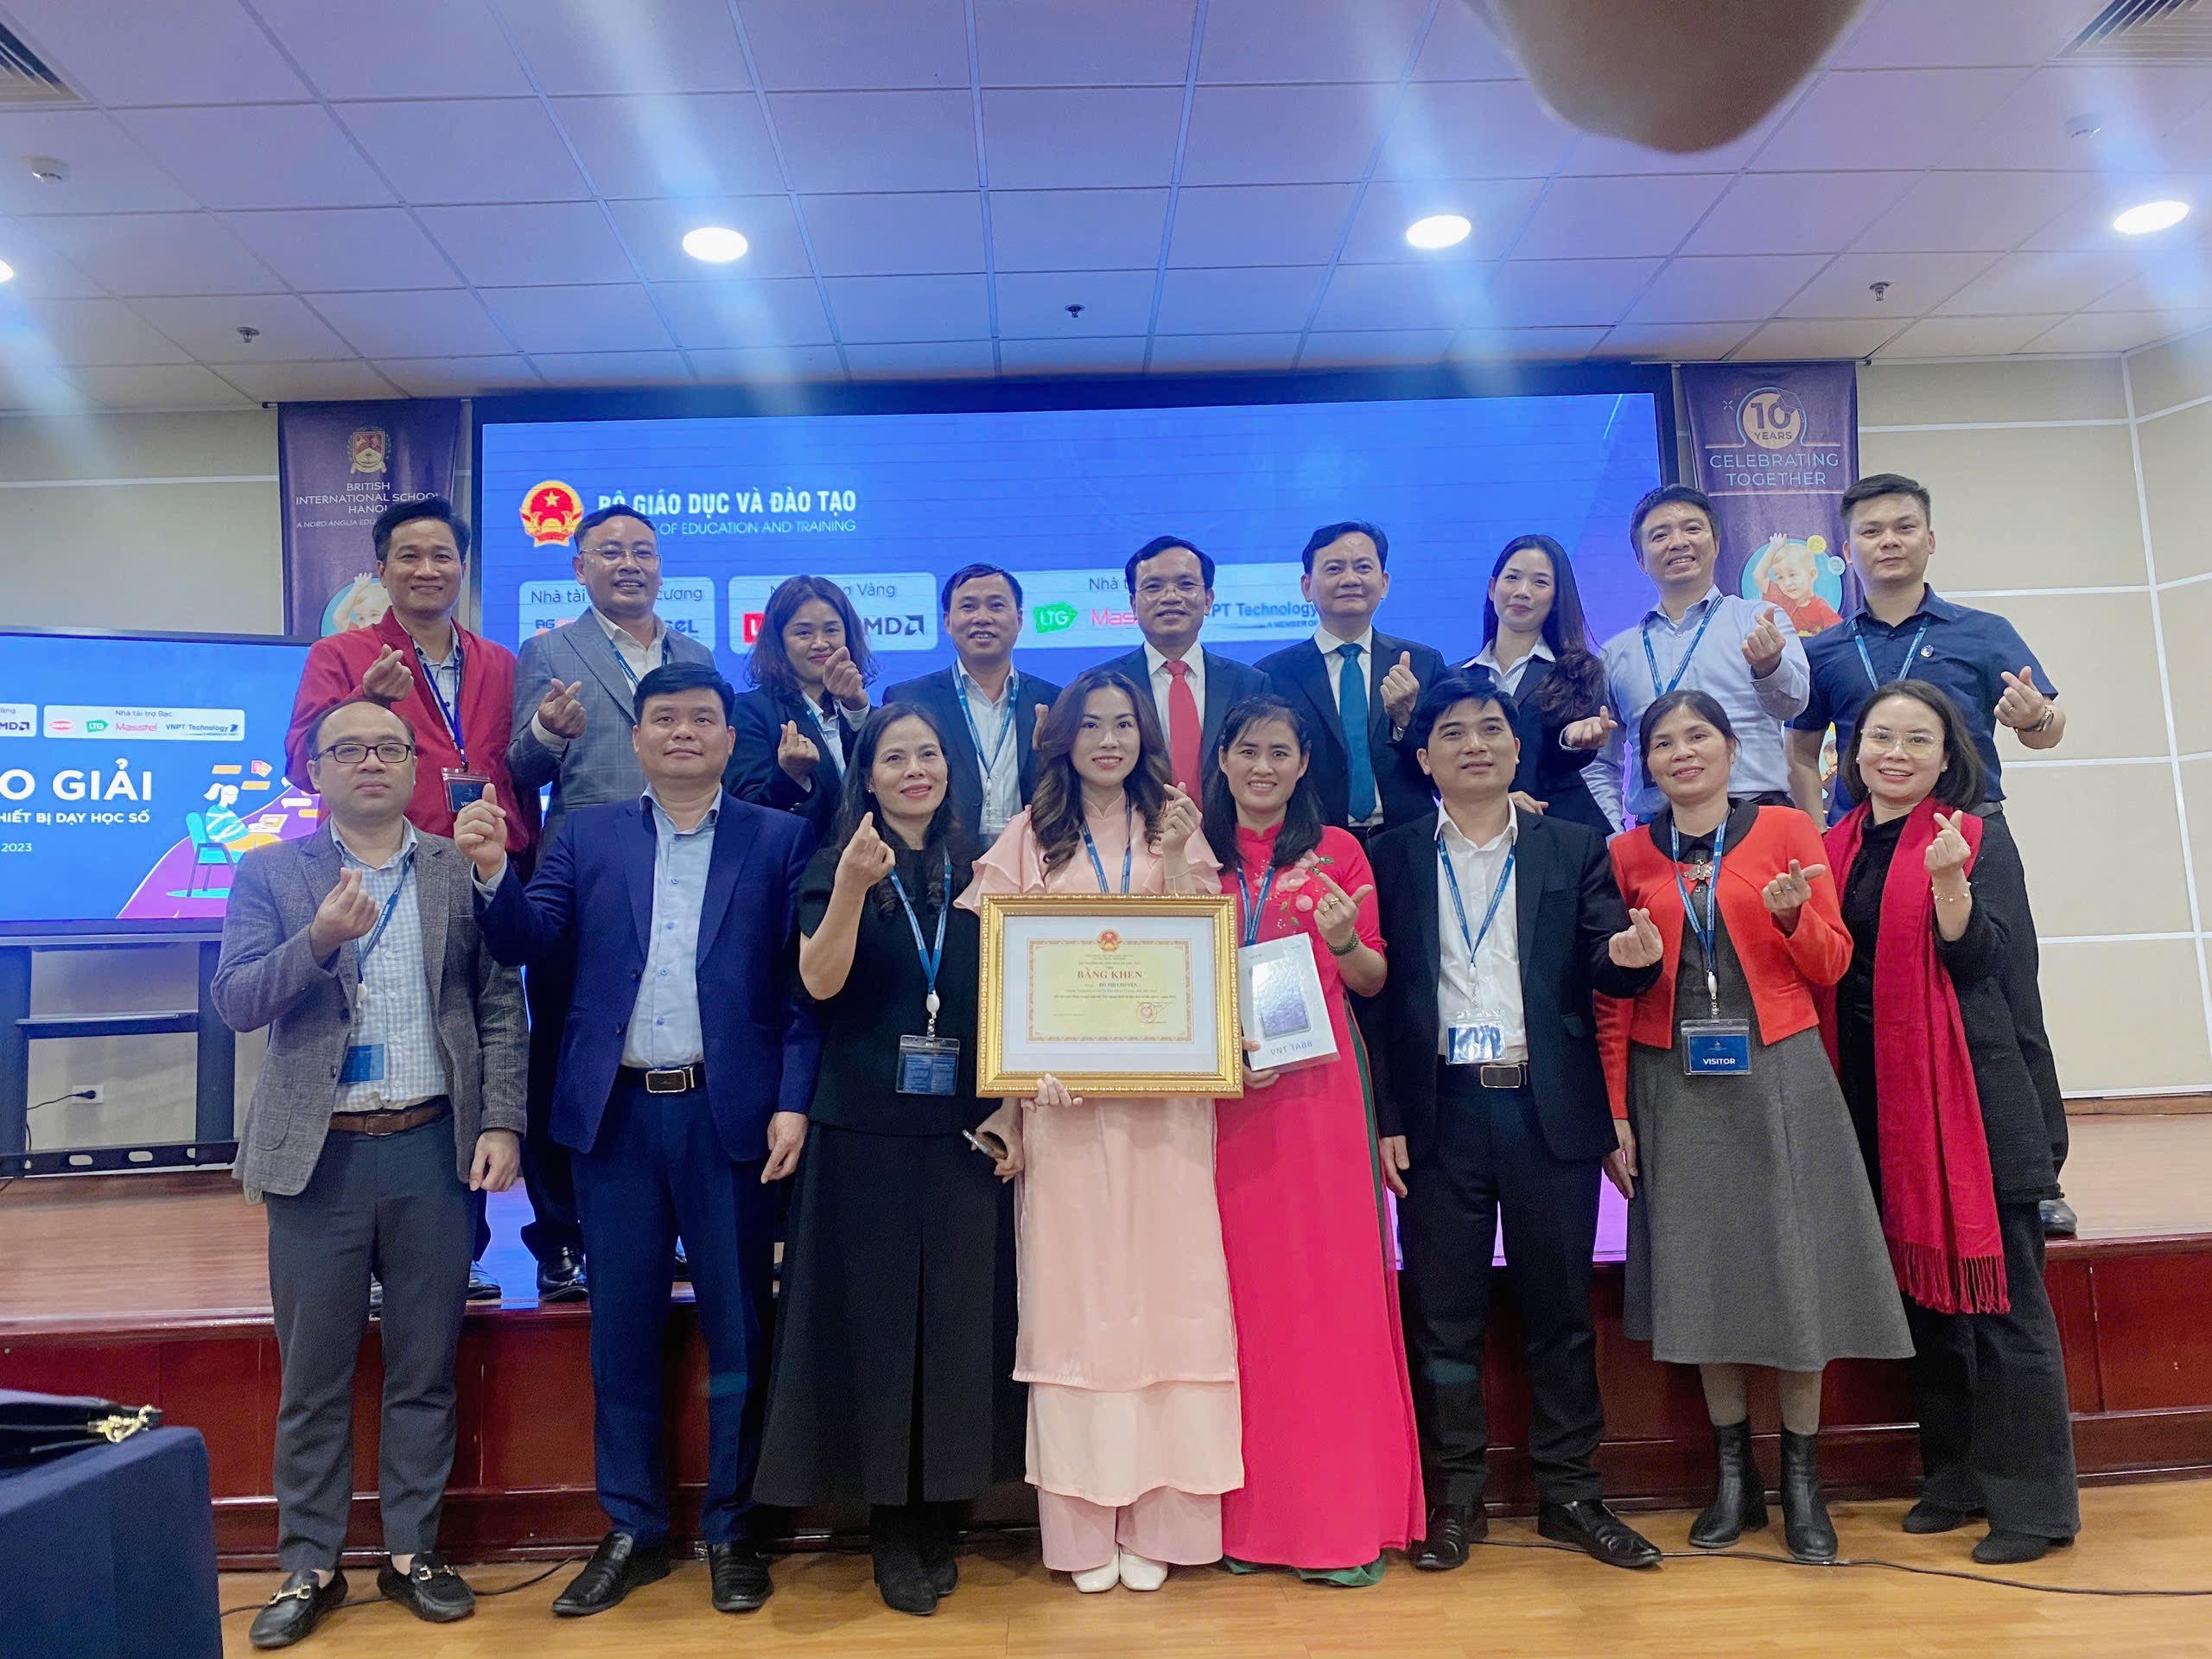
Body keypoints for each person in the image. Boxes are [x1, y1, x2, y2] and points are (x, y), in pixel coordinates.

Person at [456, 663, 819, 1619]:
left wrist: (793, 1100)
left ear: (729, 738)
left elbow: (799, 989)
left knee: (739, 1326)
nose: (684, 732)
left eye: (703, 718)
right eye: (666, 719)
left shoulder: (778, 838)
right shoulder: (587, 833)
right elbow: (529, 942)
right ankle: (633, 1526)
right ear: (639, 737)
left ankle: (733, 1528)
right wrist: (492, 872)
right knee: (620, 1329)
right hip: (614, 1118)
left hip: (729, 1116)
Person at [213, 696, 524, 1650]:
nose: (372, 763)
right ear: (316, 772)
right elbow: (236, 1000)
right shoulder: (272, 872)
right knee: (314, 1377)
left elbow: (498, 1003)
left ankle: (413, 1552)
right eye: (348, 749)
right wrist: (315, 941)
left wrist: (502, 1121)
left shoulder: (454, 867)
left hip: (432, 1146)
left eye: (390, 747)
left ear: (415, 766)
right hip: (321, 1156)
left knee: (424, 1367)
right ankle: (309, 1564)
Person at [1357, 673, 1664, 1573]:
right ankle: (1456, 1499)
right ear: (1424, 759)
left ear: (1517, 748)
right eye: (1453, 732)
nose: (1475, 744)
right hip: (1439, 1112)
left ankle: (1572, 1494)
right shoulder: (1391, 855)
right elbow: (1378, 1003)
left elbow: (1607, 961)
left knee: (1560, 1312)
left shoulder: (1571, 845)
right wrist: (1386, 1115)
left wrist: (1631, 960)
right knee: (1443, 1318)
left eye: (1490, 728)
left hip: (1546, 1109)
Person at [1594, 690, 1910, 1564]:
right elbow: (1612, 997)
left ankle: (1802, 1479)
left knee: (1793, 1264)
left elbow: (1833, 963)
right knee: (1702, 1271)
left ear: (1732, 749)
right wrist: (1615, 1108)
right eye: (1664, 742)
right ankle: (1733, 1476)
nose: (1682, 753)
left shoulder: (1784, 831)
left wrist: (1791, 916)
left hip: (1778, 1070)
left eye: (1699, 736)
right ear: (1646, 765)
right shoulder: (1626, 854)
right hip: (1672, 1080)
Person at [957, 666, 1234, 1593]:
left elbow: (1208, 954)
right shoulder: (1027, 835)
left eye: (1123, 724)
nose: (1108, 741)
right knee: (1076, 1307)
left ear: (1145, 734)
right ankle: (1081, 1531)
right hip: (1065, 1112)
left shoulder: (1177, 823)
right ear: (1063, 738)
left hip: (1167, 1109)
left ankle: (1164, 1521)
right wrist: (1012, 1090)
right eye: (1091, 725)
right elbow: (998, 976)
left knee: (1172, 1301)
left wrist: (1184, 856)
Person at [753, 702, 1023, 1617]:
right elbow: (817, 982)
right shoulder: (836, 863)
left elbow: (1011, 995)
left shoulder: (982, 867)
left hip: (963, 1134)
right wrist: (849, 891)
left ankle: (944, 1509)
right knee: (874, 1335)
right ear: (865, 776)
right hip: (861, 1131)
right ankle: (891, 1531)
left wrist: (1009, 1105)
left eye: (929, 754)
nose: (916, 770)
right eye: (895, 757)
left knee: (956, 1331)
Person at [1818, 680, 2079, 1567]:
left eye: (1916, 740)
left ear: (1946, 756)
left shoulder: (1973, 837)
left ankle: (2035, 1507)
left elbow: (1993, 969)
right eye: (1879, 737)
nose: (1894, 754)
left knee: (2004, 1309)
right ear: (1853, 751)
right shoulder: (1835, 848)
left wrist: (1949, 888)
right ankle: (1955, 1477)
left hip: (1973, 1101)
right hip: (1880, 1107)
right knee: (1927, 1302)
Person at [1786, 473, 2072, 1236]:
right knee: (1877, 1008)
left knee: (2007, 999)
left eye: (1903, 527)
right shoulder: (1825, 649)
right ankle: (1891, 1166)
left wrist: (2036, 717)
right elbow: (1802, 751)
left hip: (1972, 838)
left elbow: (2047, 730)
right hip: (1871, 848)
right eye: (1871, 531)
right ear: (1848, 550)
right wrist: (1818, 835)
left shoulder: (1983, 631)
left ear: (1930, 539)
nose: (1888, 541)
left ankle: (2038, 1172)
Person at [283, 495, 530, 1302]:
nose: (428, 570)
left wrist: (549, 742)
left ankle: (462, 1246)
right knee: (386, 1036)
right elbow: (300, 760)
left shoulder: (498, 661)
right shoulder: (342, 654)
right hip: (382, 870)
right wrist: (367, 701)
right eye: (410, 556)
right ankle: (364, 1253)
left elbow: (507, 763)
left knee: (471, 1039)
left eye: (443, 556)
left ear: (463, 568)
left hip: (475, 870)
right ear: (381, 570)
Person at [1202, 695, 1425, 1582]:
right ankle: (1245, 1525)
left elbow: (1371, 977)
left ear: (1302, 765)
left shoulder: (1339, 853)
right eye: (1247, 750)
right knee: (1239, 1310)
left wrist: (1340, 943)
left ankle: (1341, 1522)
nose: (1262, 767)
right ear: (1222, 758)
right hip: (1221, 1101)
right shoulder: (1193, 856)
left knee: (1329, 1304)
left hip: (1320, 1100)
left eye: (1279, 752)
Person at [504, 504, 715, 1304]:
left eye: (643, 552)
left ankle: (669, 1226)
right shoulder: (549, 651)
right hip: (585, 876)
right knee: (567, 1048)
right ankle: (560, 1236)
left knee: (671, 1041)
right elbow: (520, 771)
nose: (630, 564)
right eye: (611, 552)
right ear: (580, 567)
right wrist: (548, 734)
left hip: (687, 869)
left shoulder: (694, 653)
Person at [1572, 485, 1809, 830]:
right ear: (1641, 560)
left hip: (1756, 819)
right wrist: (1613, 835)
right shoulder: (1616, 654)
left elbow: (1793, 707)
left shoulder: (1759, 620)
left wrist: (1769, 666)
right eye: (1660, 535)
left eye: (1692, 529)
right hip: (1656, 831)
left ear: (1716, 544)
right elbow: (1599, 762)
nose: (1678, 542)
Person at [1255, 522, 1449, 838]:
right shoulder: (1272, 675)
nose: (1350, 579)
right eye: (1334, 568)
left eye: (1363, 567)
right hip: (1312, 842)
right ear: (1307, 586)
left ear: (1384, 583)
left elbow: (1446, 767)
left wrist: (1406, 721)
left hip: (1409, 839)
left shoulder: (1424, 663)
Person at [882, 563, 1065, 844]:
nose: (982, 618)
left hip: (1034, 855)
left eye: (996, 606)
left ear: (1019, 620)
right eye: (968, 607)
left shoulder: (1054, 701)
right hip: (941, 857)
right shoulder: (909, 699)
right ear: (947, 622)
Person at [1098, 536, 1269, 803]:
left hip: (1228, 827)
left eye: (1186, 585)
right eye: (1153, 587)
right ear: (1133, 604)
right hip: (1135, 826)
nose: (1170, 596)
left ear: (1208, 600)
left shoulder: (1250, 684)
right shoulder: (1102, 685)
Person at [1460, 534, 1611, 836]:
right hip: (1478, 833)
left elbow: (1565, 760)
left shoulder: (1579, 669)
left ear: (1556, 599)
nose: (1522, 591)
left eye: (1540, 582)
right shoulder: (1456, 678)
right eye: (1512, 578)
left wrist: (1572, 740)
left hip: (1561, 831)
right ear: (1492, 588)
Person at [728, 574, 877, 844]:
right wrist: (791, 776)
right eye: (803, 633)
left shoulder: (865, 713)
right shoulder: (750, 712)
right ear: (779, 642)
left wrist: (858, 709)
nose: (820, 643)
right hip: (797, 865)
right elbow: (743, 814)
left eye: (831, 630)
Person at [1750, 534, 1843, 636]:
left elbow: (1838, 631)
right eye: (1780, 577)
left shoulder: (1820, 607)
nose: (1787, 583)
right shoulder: (1780, 597)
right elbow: (1758, 575)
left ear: (1812, 575)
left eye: (1792, 575)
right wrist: (1773, 549)